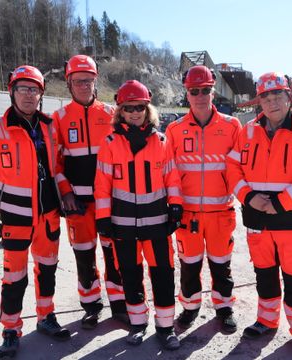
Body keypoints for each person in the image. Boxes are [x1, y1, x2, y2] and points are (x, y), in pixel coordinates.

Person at [226, 72, 292, 356]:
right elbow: (232, 168)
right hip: (258, 219)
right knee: (265, 274)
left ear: (288, 97)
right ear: (259, 101)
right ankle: (267, 320)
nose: (272, 102)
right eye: (265, 97)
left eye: (277, 95)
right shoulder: (248, 132)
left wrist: (281, 203)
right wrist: (247, 197)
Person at [0, 65, 70, 359]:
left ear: (41, 94)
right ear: (11, 91)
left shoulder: (50, 127)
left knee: (47, 269)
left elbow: (58, 167)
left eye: (34, 89)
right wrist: (1, 200)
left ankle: (46, 317)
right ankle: (11, 330)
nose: (29, 95)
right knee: (14, 277)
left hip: (48, 215)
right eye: (23, 88)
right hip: (15, 218)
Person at [94, 80, 183, 350]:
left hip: (157, 223)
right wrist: (103, 218)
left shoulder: (162, 141)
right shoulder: (109, 143)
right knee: (130, 275)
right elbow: (102, 185)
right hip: (122, 224)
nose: (135, 112)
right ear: (120, 111)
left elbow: (172, 177)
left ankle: (166, 327)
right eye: (129, 108)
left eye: (140, 107)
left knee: (163, 273)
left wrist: (176, 205)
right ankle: (137, 324)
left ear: (148, 109)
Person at [164, 65, 242, 333]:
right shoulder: (175, 130)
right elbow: (170, 171)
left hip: (221, 212)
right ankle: (190, 307)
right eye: (194, 91)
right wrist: (173, 205)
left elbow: (241, 167)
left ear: (213, 92)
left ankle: (224, 307)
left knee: (221, 265)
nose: (200, 96)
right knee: (189, 266)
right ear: (187, 93)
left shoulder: (232, 126)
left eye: (205, 90)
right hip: (188, 215)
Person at [52, 54, 126, 329]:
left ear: (96, 81)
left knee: (113, 253)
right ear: (69, 83)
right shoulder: (58, 119)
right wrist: (65, 192)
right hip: (77, 204)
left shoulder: (110, 115)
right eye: (78, 81)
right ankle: (91, 306)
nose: (84, 85)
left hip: (109, 201)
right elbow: (55, 162)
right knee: (84, 255)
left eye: (88, 80)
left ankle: (119, 304)